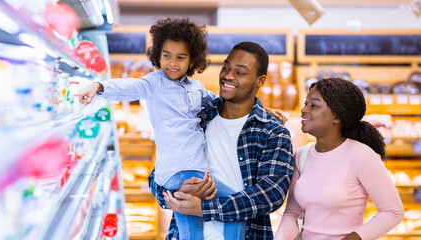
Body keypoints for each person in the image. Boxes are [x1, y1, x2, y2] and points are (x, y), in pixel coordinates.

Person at [75, 19, 285, 240]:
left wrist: (261, 108)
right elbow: (130, 86)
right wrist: (99, 87)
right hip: (184, 171)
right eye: (166, 55)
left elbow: (219, 102)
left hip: (186, 172)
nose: (172, 63)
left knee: (191, 230)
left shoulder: (197, 91)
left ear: (192, 59)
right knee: (233, 215)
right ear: (158, 55)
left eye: (180, 57)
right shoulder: (154, 83)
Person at [149, 41, 294, 240]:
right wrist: (176, 192)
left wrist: (205, 209)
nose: (228, 76)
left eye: (240, 72)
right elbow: (157, 175)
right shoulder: (197, 119)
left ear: (260, 81)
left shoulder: (273, 132)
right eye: (226, 68)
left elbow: (270, 194)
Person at [275, 78, 404, 240]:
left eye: (313, 105)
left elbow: (393, 211)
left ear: (336, 116)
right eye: (305, 103)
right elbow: (292, 213)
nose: (303, 110)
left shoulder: (362, 156)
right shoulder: (302, 155)